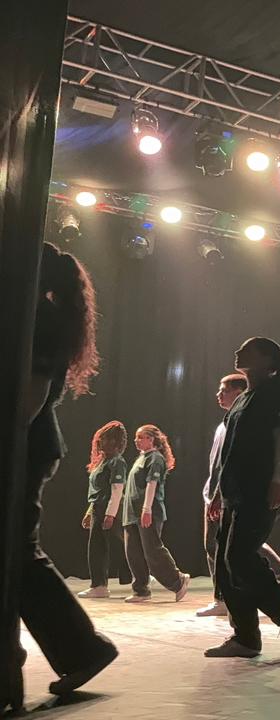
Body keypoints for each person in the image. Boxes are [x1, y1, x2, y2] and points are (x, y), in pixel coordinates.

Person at [5, 243, 117, 712]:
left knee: (18, 552)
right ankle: (77, 650)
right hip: (29, 445)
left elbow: (30, 399)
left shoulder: (39, 320)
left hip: (25, 447)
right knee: (15, 553)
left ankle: (83, 648)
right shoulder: (36, 315)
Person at [203, 337, 280, 658]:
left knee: (239, 558)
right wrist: (218, 492)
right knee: (226, 564)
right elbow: (229, 451)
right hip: (234, 491)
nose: (238, 352)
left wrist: (278, 480)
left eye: (248, 350)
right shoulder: (242, 400)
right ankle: (246, 637)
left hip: (258, 489)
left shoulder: (273, 395)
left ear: (266, 360)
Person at [114, 424, 190, 604]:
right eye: (136, 437)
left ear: (151, 439)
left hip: (148, 512)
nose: (136, 441)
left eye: (141, 437)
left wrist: (146, 509)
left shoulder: (155, 458)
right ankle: (141, 590)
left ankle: (177, 580)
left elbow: (152, 484)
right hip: (132, 513)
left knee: (152, 550)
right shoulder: (141, 458)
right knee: (133, 553)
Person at [78, 421, 128, 599]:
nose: (101, 442)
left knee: (124, 545)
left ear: (115, 442)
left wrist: (110, 514)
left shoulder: (117, 462)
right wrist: (89, 512)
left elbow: (117, 489)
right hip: (98, 508)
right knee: (97, 548)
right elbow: (97, 491)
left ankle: (144, 576)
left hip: (110, 509)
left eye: (105, 439)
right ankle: (99, 585)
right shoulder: (102, 462)